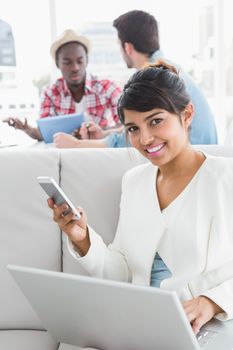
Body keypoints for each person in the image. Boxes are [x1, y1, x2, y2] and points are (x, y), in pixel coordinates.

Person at [47, 60, 233, 350]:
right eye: (133, 128)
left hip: (205, 326)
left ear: (186, 115)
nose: (144, 139)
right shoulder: (134, 181)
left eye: (156, 121)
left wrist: (212, 301)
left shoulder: (225, 178)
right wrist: (82, 238)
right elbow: (122, 271)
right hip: (143, 325)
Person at [53, 10, 218, 149]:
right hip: (202, 152)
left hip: (190, 155)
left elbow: (145, 135)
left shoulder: (153, 77)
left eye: (119, 45)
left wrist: (76, 145)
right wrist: (104, 134)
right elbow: (143, 125)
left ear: (127, 47)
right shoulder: (168, 69)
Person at [3, 29, 122, 141]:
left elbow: (127, 125)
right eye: (67, 62)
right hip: (65, 157)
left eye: (80, 61)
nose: (75, 68)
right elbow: (44, 134)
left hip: (100, 153)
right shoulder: (50, 92)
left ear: (87, 60)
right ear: (57, 64)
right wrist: (27, 129)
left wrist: (100, 132)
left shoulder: (107, 87)